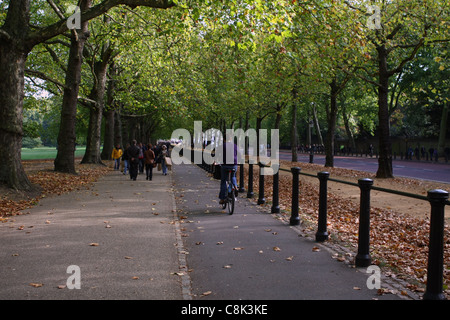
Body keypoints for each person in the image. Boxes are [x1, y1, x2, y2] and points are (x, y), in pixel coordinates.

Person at [219, 139, 239, 205]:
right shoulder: (235, 146)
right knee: (233, 176)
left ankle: (222, 198)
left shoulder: (222, 146)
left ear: (224, 139)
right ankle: (235, 187)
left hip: (225, 165)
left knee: (223, 181)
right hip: (234, 165)